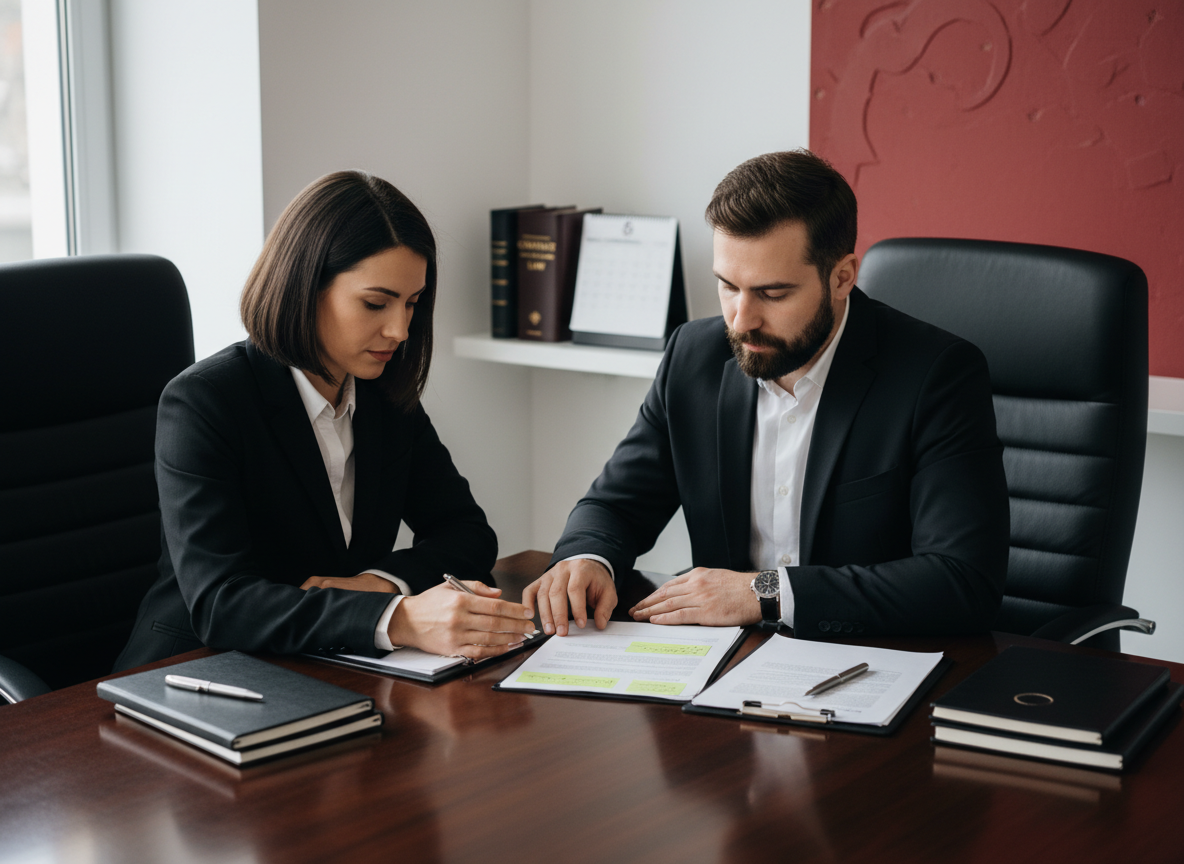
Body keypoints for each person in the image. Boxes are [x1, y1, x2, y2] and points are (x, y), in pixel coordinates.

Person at [522, 149, 1010, 639]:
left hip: (870, 662)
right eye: (728, 286)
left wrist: (765, 592)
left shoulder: (936, 375)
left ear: (842, 277)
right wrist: (588, 559)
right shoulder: (693, 357)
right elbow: (616, 505)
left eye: (772, 294)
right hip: (725, 668)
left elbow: (962, 581)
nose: (740, 319)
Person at [115, 171, 534, 670]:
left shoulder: (384, 395)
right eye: (375, 303)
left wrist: (379, 585)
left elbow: (467, 533)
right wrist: (397, 618)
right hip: (197, 671)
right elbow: (222, 602)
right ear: (304, 287)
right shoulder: (205, 402)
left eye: (412, 304)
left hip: (329, 663)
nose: (400, 330)